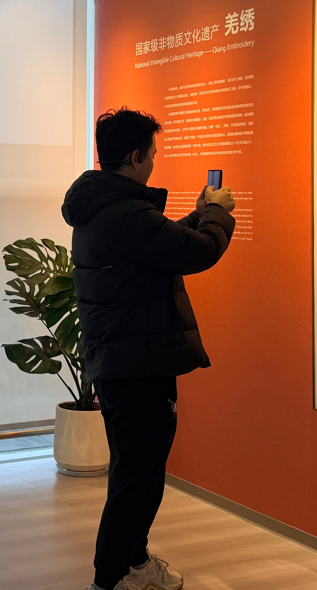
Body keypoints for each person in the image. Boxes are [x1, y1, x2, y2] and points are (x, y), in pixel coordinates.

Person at [61, 108, 236, 590]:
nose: (155, 162)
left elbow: (159, 246)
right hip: (138, 364)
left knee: (136, 472)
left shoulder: (106, 206)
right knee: (136, 480)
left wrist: (199, 215)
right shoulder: (126, 211)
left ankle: (134, 564)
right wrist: (219, 213)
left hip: (123, 360)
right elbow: (196, 251)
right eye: (153, 154)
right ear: (136, 157)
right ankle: (110, 578)